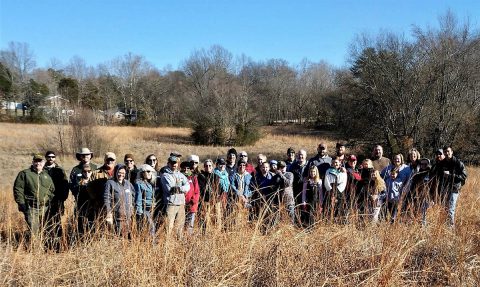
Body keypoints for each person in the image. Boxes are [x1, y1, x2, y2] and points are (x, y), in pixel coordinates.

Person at [13, 154, 55, 236]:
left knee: (45, 230)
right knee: (34, 230)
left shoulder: (46, 175)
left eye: (40, 161)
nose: (38, 163)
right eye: (36, 161)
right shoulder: (25, 174)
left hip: (45, 208)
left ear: (43, 163)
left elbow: (52, 189)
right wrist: (21, 203)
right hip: (31, 207)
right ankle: (34, 247)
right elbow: (18, 189)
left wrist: (49, 200)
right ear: (33, 162)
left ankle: (42, 247)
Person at [430, 147, 467, 227]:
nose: (447, 153)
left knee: (450, 209)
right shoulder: (442, 163)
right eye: (445, 152)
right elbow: (438, 176)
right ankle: (445, 225)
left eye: (448, 151)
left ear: (452, 152)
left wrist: (451, 176)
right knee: (444, 208)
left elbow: (464, 176)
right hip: (445, 188)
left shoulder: (458, 163)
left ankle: (450, 228)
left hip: (454, 188)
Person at [43, 151, 68, 248]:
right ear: (46, 157)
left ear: (55, 158)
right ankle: (46, 244)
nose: (51, 158)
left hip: (58, 200)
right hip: (45, 201)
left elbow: (65, 185)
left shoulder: (60, 170)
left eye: (53, 157)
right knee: (45, 222)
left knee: (57, 221)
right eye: (48, 157)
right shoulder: (42, 169)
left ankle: (58, 245)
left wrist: (63, 198)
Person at [160, 155, 190, 237]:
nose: (174, 164)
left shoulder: (180, 174)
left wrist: (178, 188)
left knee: (179, 228)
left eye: (175, 163)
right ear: (168, 163)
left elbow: (188, 186)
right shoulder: (165, 175)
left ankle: (178, 245)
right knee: (168, 227)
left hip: (181, 204)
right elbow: (170, 188)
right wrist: (182, 188)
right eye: (172, 163)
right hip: (171, 204)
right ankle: (167, 245)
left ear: (178, 164)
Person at [104, 164, 135, 237]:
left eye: (123, 173)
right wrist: (108, 212)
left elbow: (133, 196)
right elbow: (106, 198)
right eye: (119, 172)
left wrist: (132, 207)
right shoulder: (110, 183)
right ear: (115, 172)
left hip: (128, 217)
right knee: (118, 237)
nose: (121, 175)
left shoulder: (128, 184)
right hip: (117, 217)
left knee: (128, 238)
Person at [88, 152, 117, 225]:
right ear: (104, 160)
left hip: (116, 207)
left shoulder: (119, 173)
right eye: (108, 160)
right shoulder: (96, 173)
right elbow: (89, 188)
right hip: (100, 207)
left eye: (112, 160)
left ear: (115, 161)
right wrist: (96, 200)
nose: (110, 161)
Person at [197, 159, 221, 231]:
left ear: (212, 166)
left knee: (217, 218)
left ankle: (217, 233)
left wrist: (215, 197)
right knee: (205, 219)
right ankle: (205, 234)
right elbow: (201, 189)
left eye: (210, 165)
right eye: (206, 166)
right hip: (206, 201)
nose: (208, 167)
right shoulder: (201, 177)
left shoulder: (216, 176)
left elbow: (219, 189)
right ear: (204, 167)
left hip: (216, 201)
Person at [71, 163, 93, 236]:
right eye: (85, 171)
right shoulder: (78, 183)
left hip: (92, 208)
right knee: (80, 228)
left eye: (89, 171)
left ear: (91, 172)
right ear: (82, 172)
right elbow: (75, 193)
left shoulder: (94, 182)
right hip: (81, 208)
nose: (87, 173)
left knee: (91, 227)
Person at [289, 149, 308, 224]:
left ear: (306, 156)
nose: (301, 156)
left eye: (302, 155)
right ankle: (297, 225)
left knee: (306, 209)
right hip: (295, 191)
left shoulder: (309, 165)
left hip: (307, 191)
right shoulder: (293, 166)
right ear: (297, 155)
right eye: (299, 154)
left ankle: (305, 224)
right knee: (297, 208)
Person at [181, 161, 200, 235]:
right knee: (181, 224)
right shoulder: (179, 177)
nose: (186, 170)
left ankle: (189, 239)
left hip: (191, 206)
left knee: (190, 225)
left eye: (188, 168)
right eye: (184, 168)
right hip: (181, 205)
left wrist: (193, 201)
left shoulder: (193, 177)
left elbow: (197, 191)